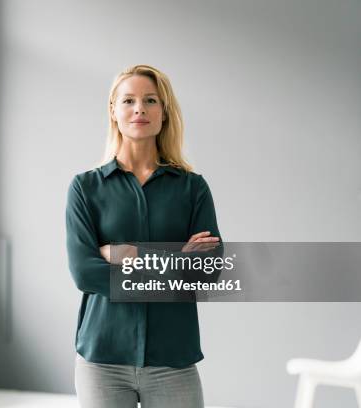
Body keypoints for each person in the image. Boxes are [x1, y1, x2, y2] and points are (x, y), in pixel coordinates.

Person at [65, 64, 222, 408]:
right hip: (102, 359)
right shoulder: (85, 188)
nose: (139, 109)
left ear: (164, 112)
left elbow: (207, 272)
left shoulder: (192, 188)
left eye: (150, 100)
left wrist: (124, 254)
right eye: (129, 100)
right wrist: (176, 260)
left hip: (172, 360)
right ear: (114, 111)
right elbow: (84, 272)